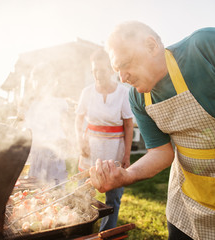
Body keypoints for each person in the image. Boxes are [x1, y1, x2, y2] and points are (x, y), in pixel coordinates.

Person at [89, 21, 215, 239]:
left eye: (125, 64)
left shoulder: (208, 49)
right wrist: (126, 176)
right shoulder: (138, 96)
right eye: (117, 70)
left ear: (151, 46)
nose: (122, 78)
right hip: (188, 202)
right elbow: (161, 152)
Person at [75, 48, 134, 231]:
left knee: (113, 197)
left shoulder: (123, 92)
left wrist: (126, 154)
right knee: (82, 192)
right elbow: (78, 118)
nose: (97, 75)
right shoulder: (87, 92)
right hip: (90, 147)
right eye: (94, 71)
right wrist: (80, 142)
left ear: (111, 70)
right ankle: (80, 229)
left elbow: (128, 124)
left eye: (101, 70)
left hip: (114, 148)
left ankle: (106, 233)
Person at [23, 91, 69, 185]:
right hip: (38, 147)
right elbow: (29, 127)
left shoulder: (61, 103)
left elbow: (65, 124)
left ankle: (55, 195)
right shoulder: (34, 105)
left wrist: (66, 139)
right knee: (36, 181)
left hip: (54, 146)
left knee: (54, 181)